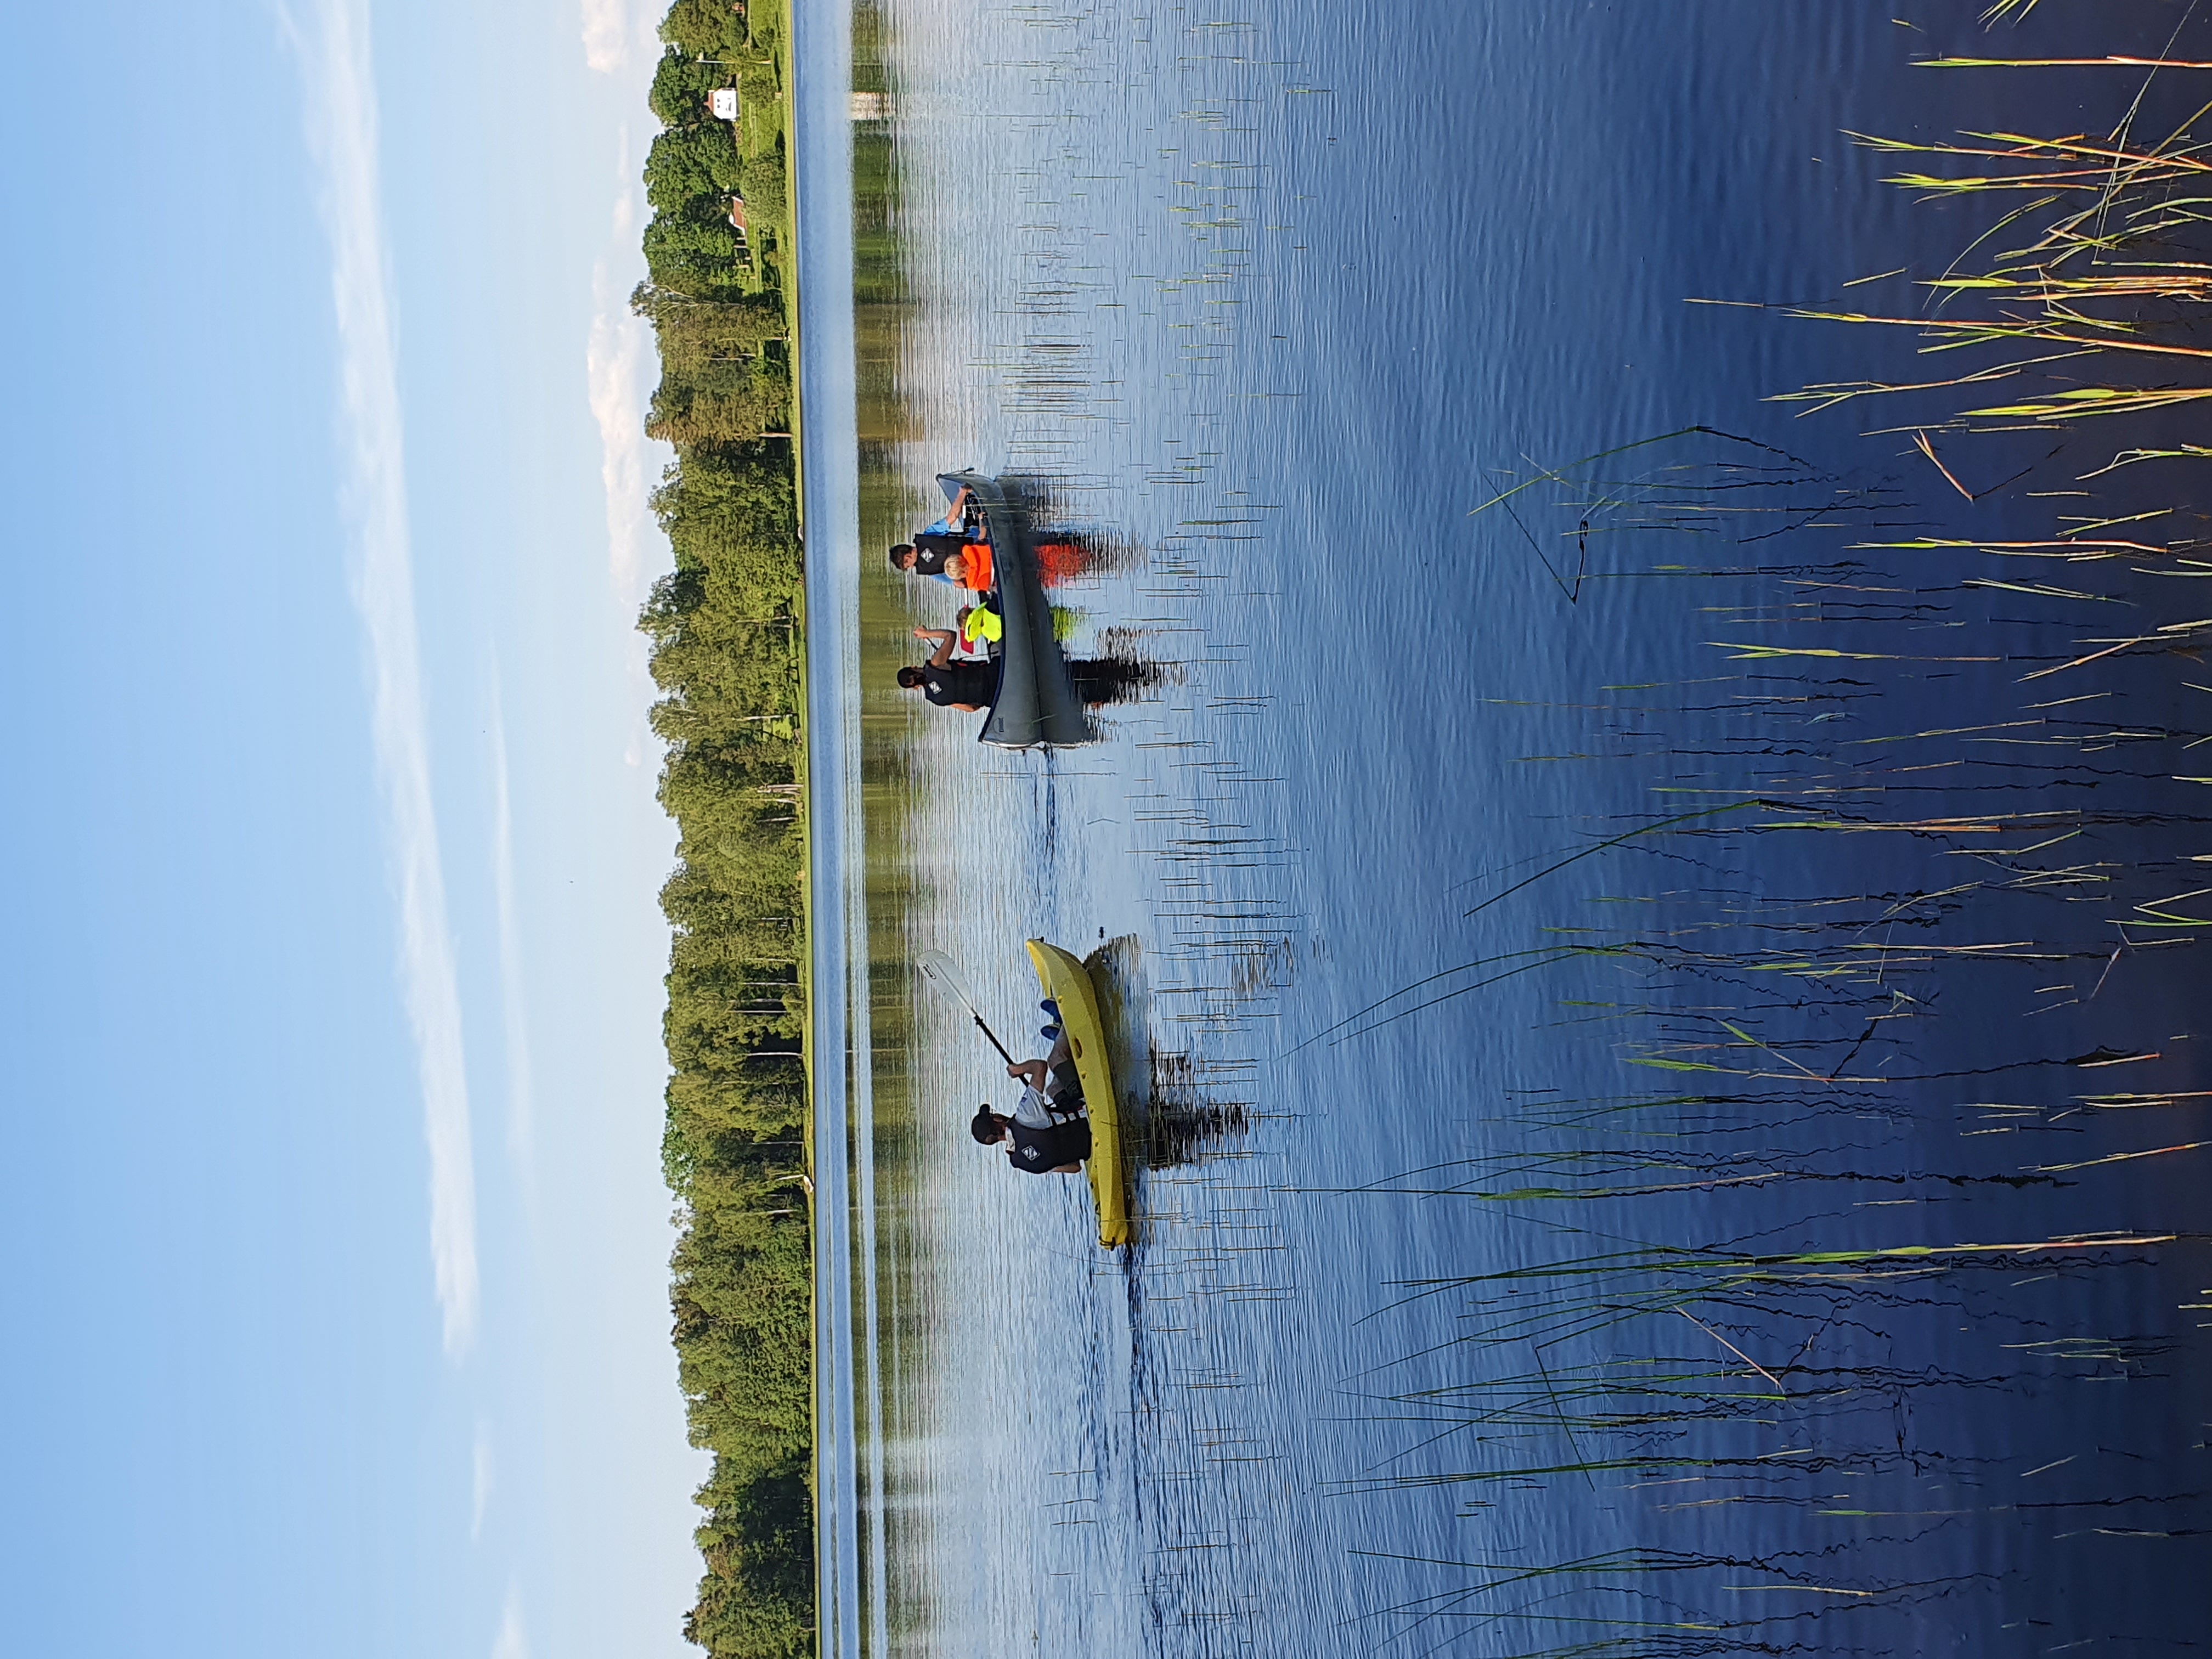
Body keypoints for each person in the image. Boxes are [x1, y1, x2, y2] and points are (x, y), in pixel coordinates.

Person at [969, 1031, 1090, 1174]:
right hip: (1089, 1117)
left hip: (1086, 1146)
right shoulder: (1025, 1115)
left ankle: (1069, 1060)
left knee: (1053, 1089)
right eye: (992, 1114)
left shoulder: (1022, 1162)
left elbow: (1075, 1167)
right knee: (1055, 1059)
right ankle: (1067, 1027)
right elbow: (1040, 1067)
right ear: (996, 1119)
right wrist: (1016, 1069)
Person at [896, 627, 996, 710]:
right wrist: (926, 633)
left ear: (916, 687)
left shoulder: (935, 699)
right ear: (913, 667)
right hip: (995, 673)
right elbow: (951, 636)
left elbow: (971, 709)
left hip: (993, 699)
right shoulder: (936, 664)